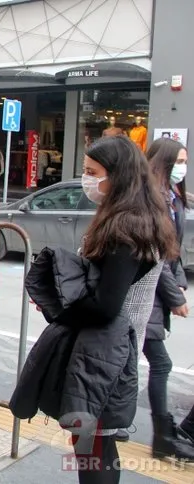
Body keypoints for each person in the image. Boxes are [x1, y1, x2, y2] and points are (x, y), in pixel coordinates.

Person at [60, 135, 177, 484]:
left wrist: (62, 305)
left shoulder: (126, 227)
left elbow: (106, 305)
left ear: (118, 175)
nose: (87, 179)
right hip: (115, 352)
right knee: (97, 444)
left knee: (92, 447)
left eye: (91, 171)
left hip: (104, 356)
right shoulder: (141, 217)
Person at [119, 138, 194, 460]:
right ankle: (159, 433)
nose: (183, 167)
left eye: (186, 161)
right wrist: (174, 293)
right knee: (154, 361)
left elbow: (173, 253)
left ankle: (121, 421)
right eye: (178, 160)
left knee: (129, 357)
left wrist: (178, 283)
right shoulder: (149, 200)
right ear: (161, 162)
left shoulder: (174, 197)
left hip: (156, 294)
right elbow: (156, 257)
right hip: (144, 293)